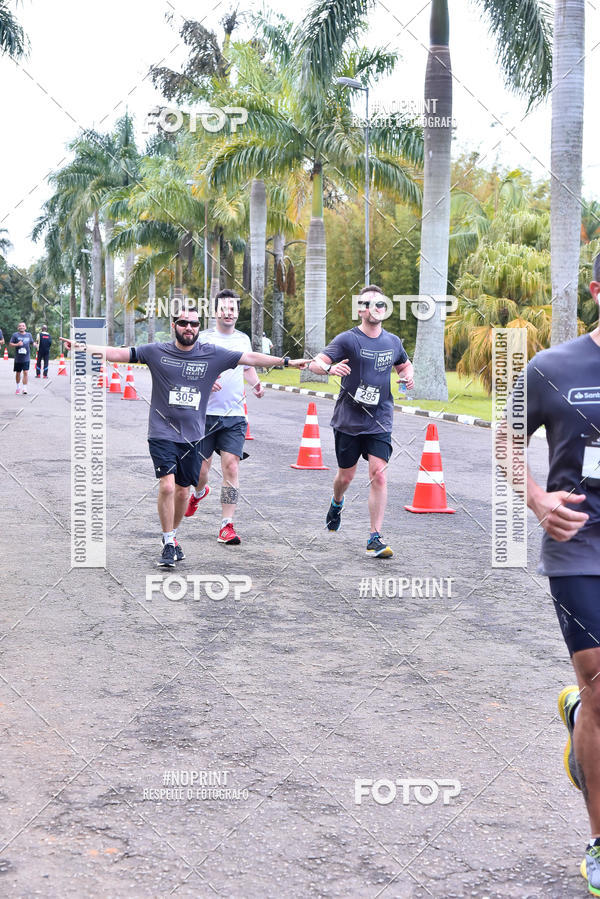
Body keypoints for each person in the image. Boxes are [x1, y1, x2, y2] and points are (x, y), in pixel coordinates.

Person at [61, 307, 307, 568]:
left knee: (182, 492)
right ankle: (168, 542)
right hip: (162, 432)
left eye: (193, 323)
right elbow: (120, 353)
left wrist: (287, 362)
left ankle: (173, 536)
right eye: (183, 323)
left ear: (198, 327)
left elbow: (250, 358)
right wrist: (83, 347)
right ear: (173, 325)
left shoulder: (212, 354)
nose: (188, 327)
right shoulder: (157, 352)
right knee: (167, 486)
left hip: (193, 436)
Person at [524, 254, 600, 895]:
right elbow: (504, 439)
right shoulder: (554, 367)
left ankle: (581, 714)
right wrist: (537, 500)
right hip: (581, 549)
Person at [307, 284, 414, 558]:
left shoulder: (393, 342)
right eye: (369, 304)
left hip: (379, 419)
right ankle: (337, 502)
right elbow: (315, 363)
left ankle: (374, 537)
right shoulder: (347, 339)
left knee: (379, 475)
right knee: (346, 476)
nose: (375, 309)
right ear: (360, 309)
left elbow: (403, 364)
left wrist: (407, 376)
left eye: (380, 304)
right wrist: (330, 367)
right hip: (349, 421)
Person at [185, 290, 264, 545]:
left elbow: (249, 367)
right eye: (224, 308)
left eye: (233, 309)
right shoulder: (203, 338)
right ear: (215, 311)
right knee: (200, 470)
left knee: (231, 467)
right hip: (205, 415)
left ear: (237, 313)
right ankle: (199, 491)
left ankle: (226, 525)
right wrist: (205, 382)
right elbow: (190, 369)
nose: (228, 312)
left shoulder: (242, 339)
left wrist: (256, 384)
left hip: (234, 416)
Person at [10, 322, 36, 395]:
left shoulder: (29, 335)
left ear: (25, 327)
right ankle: (18, 387)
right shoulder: (15, 335)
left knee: (26, 372)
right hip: (18, 358)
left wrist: (35, 345)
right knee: (18, 373)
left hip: (26, 357)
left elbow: (32, 343)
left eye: (23, 326)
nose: (21, 327)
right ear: (18, 328)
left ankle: (24, 388)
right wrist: (17, 344)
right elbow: (10, 344)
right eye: (20, 326)